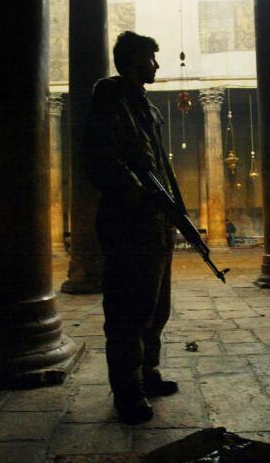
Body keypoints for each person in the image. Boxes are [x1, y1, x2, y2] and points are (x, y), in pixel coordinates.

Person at [82, 31, 182, 425]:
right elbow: (95, 158)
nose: (156, 66)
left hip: (156, 219)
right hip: (128, 220)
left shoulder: (147, 108)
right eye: (150, 59)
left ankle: (147, 374)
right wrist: (137, 190)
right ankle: (127, 391)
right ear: (131, 61)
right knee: (128, 310)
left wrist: (175, 209)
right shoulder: (110, 97)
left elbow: (159, 165)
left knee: (157, 307)